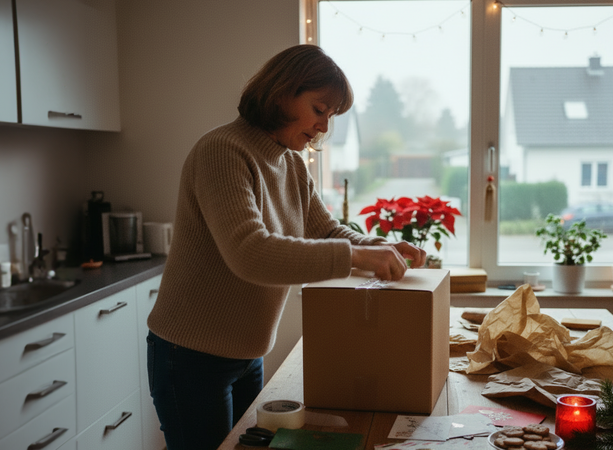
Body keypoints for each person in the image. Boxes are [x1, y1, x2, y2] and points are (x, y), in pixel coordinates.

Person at [145, 44, 426, 450]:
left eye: (331, 115)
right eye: (319, 109)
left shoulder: (290, 163)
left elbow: (326, 231)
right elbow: (250, 252)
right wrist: (359, 257)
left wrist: (379, 245)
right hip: (190, 358)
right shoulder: (222, 151)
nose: (324, 127)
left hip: (248, 355)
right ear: (281, 93)